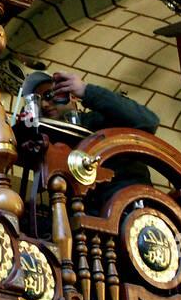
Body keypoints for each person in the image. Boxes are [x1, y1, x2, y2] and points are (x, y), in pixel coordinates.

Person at [20, 69, 160, 205]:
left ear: (72, 96)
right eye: (38, 102)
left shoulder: (100, 120)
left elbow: (148, 121)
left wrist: (86, 91)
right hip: (84, 213)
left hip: (127, 204)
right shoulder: (48, 140)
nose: (44, 104)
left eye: (49, 96)